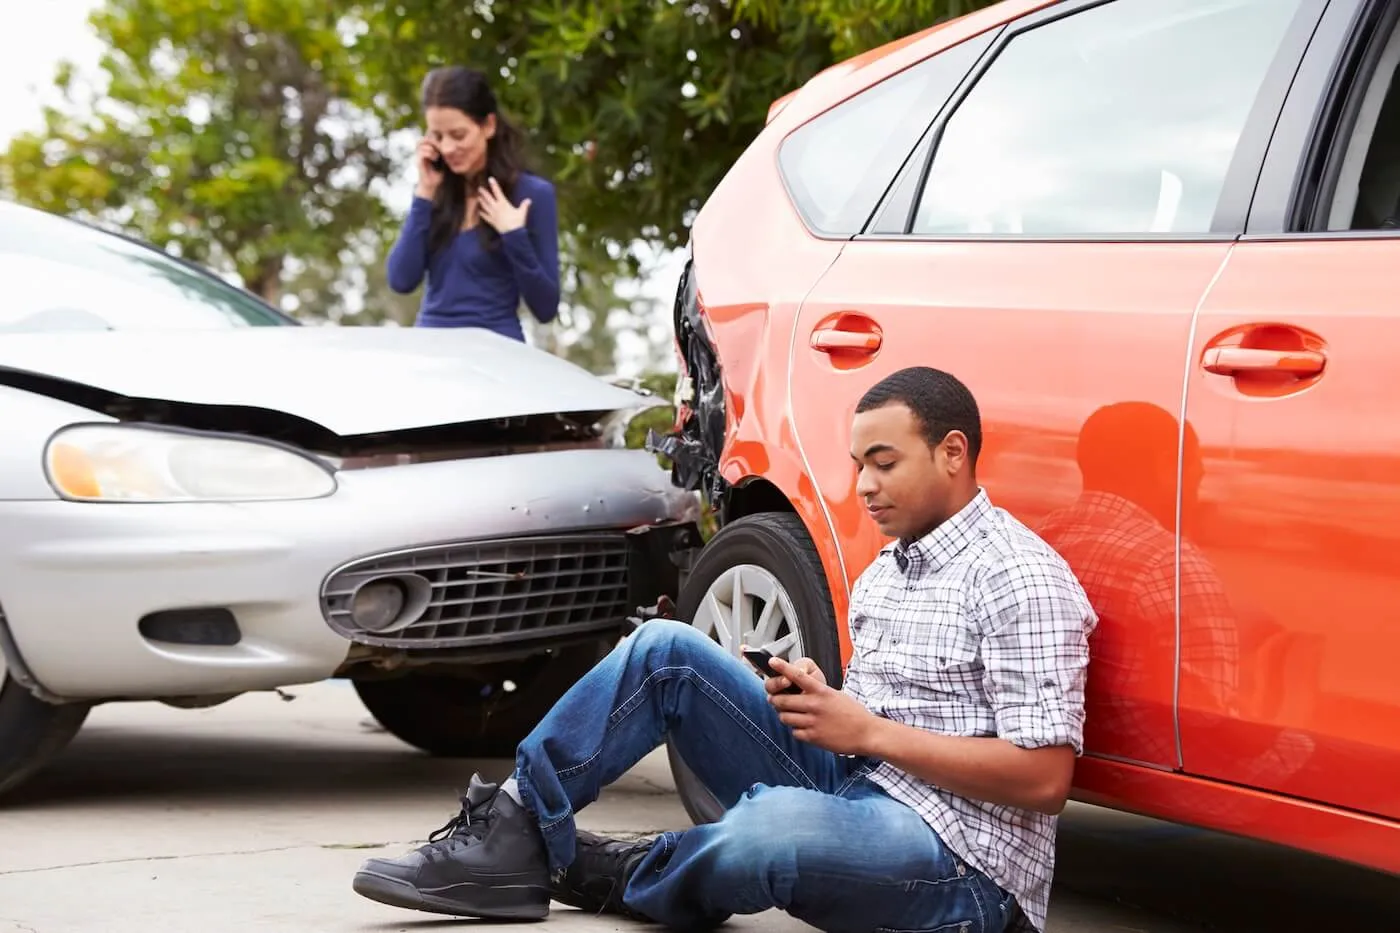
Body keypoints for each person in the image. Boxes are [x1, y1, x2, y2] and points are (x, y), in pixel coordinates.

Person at [351, 366, 1097, 933]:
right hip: (862, 785)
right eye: (857, 463)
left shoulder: (1019, 578)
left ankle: (621, 870)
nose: (863, 485)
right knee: (665, 646)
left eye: (884, 461)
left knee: (766, 831)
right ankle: (512, 831)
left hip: (963, 868)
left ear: (954, 453)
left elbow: (1042, 779)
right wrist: (823, 703)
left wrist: (867, 731)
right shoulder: (887, 569)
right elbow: (873, 731)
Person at [385, 66, 560, 340]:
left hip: (495, 357)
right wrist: (424, 194)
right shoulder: (433, 191)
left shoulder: (531, 194)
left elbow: (546, 308)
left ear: (488, 126)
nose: (447, 148)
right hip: (431, 351)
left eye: (458, 135)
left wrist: (514, 234)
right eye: (438, 136)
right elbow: (401, 280)